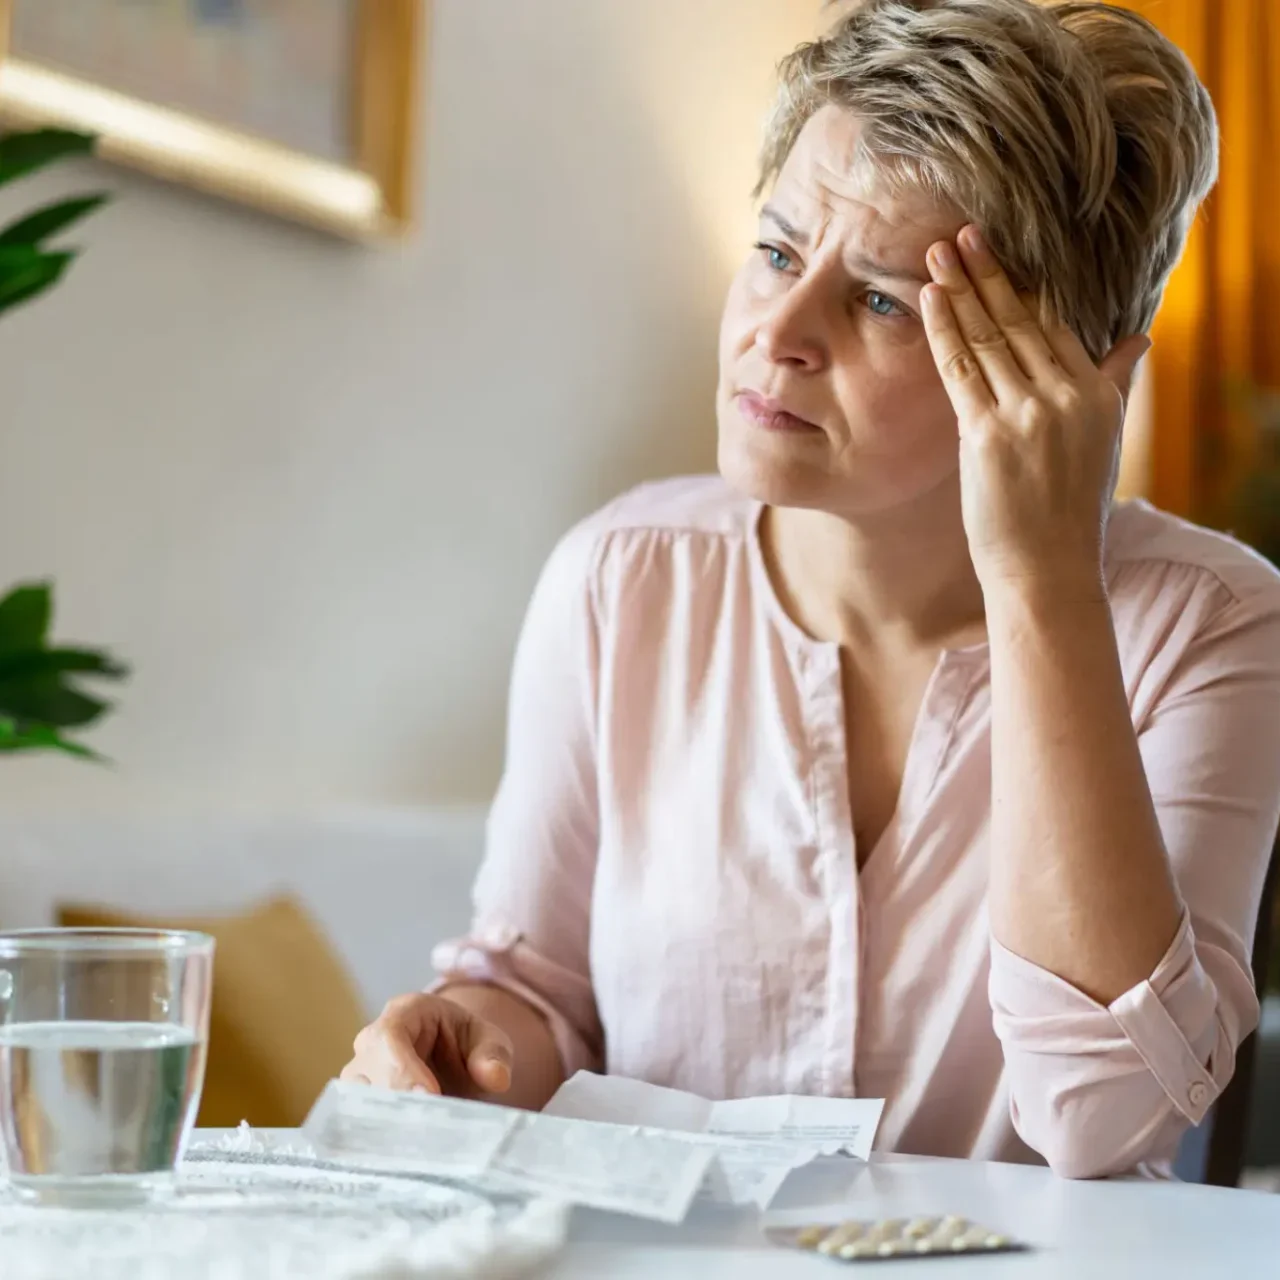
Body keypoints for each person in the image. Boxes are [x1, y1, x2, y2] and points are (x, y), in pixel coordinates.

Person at [343, 0, 1280, 1179]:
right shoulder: (619, 580)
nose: (775, 332)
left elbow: (1103, 1117)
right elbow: (542, 1001)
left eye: (882, 298)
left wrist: (1042, 583)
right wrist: (472, 1040)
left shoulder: (1208, 624)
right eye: (778, 253)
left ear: (1075, 375)